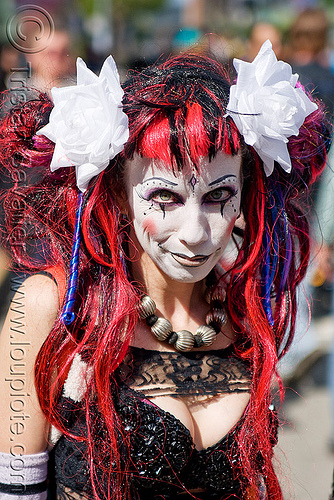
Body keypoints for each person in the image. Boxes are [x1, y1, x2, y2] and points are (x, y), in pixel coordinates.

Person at [0, 40, 329, 499]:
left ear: (245, 195)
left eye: (218, 197)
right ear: (116, 194)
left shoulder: (245, 312)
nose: (196, 233)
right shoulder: (51, 308)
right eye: (165, 197)